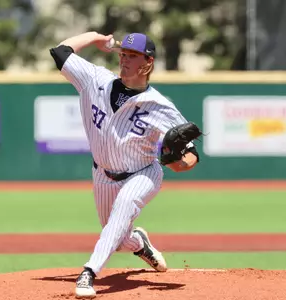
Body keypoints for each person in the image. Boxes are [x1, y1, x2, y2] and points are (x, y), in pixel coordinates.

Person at [49, 31, 202, 299]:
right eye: (122, 54)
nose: (124, 60)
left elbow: (191, 154)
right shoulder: (95, 79)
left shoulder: (160, 107)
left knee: (122, 212)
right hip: (103, 175)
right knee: (118, 237)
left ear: (148, 62)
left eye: (132, 55)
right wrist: (94, 37)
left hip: (143, 173)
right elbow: (60, 52)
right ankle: (139, 243)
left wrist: (179, 164)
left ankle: (89, 272)